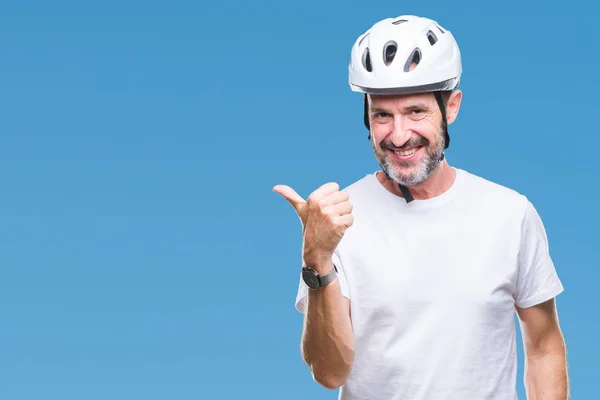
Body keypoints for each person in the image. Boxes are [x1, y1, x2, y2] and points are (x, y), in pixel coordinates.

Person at [273, 14, 569, 400]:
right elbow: (329, 373)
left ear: (451, 107)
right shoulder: (338, 221)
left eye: (415, 111)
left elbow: (544, 346)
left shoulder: (510, 215)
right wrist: (317, 258)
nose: (398, 135)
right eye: (382, 115)